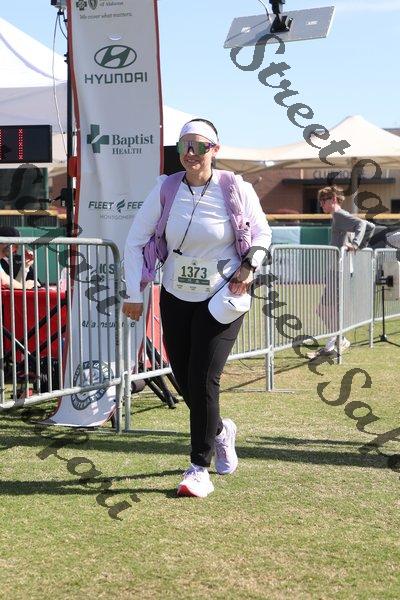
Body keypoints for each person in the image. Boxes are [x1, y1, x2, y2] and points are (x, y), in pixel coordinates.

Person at [123, 118, 271, 497]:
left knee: (204, 378)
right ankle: (220, 431)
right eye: (184, 146)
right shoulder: (166, 188)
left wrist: (250, 266)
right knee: (185, 378)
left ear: (214, 150)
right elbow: (135, 240)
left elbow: (261, 232)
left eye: (199, 146)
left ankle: (198, 468)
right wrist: (133, 293)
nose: (191, 153)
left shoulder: (236, 188)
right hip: (175, 292)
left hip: (222, 294)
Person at [309, 185, 375, 359]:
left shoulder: (339, 215)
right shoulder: (338, 216)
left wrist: (356, 245)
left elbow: (363, 224)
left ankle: (336, 343)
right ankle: (335, 343)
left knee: (325, 310)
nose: (321, 205)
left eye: (323, 201)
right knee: (328, 310)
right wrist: (359, 245)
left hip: (339, 271)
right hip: (339, 270)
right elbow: (370, 226)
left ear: (333, 199)